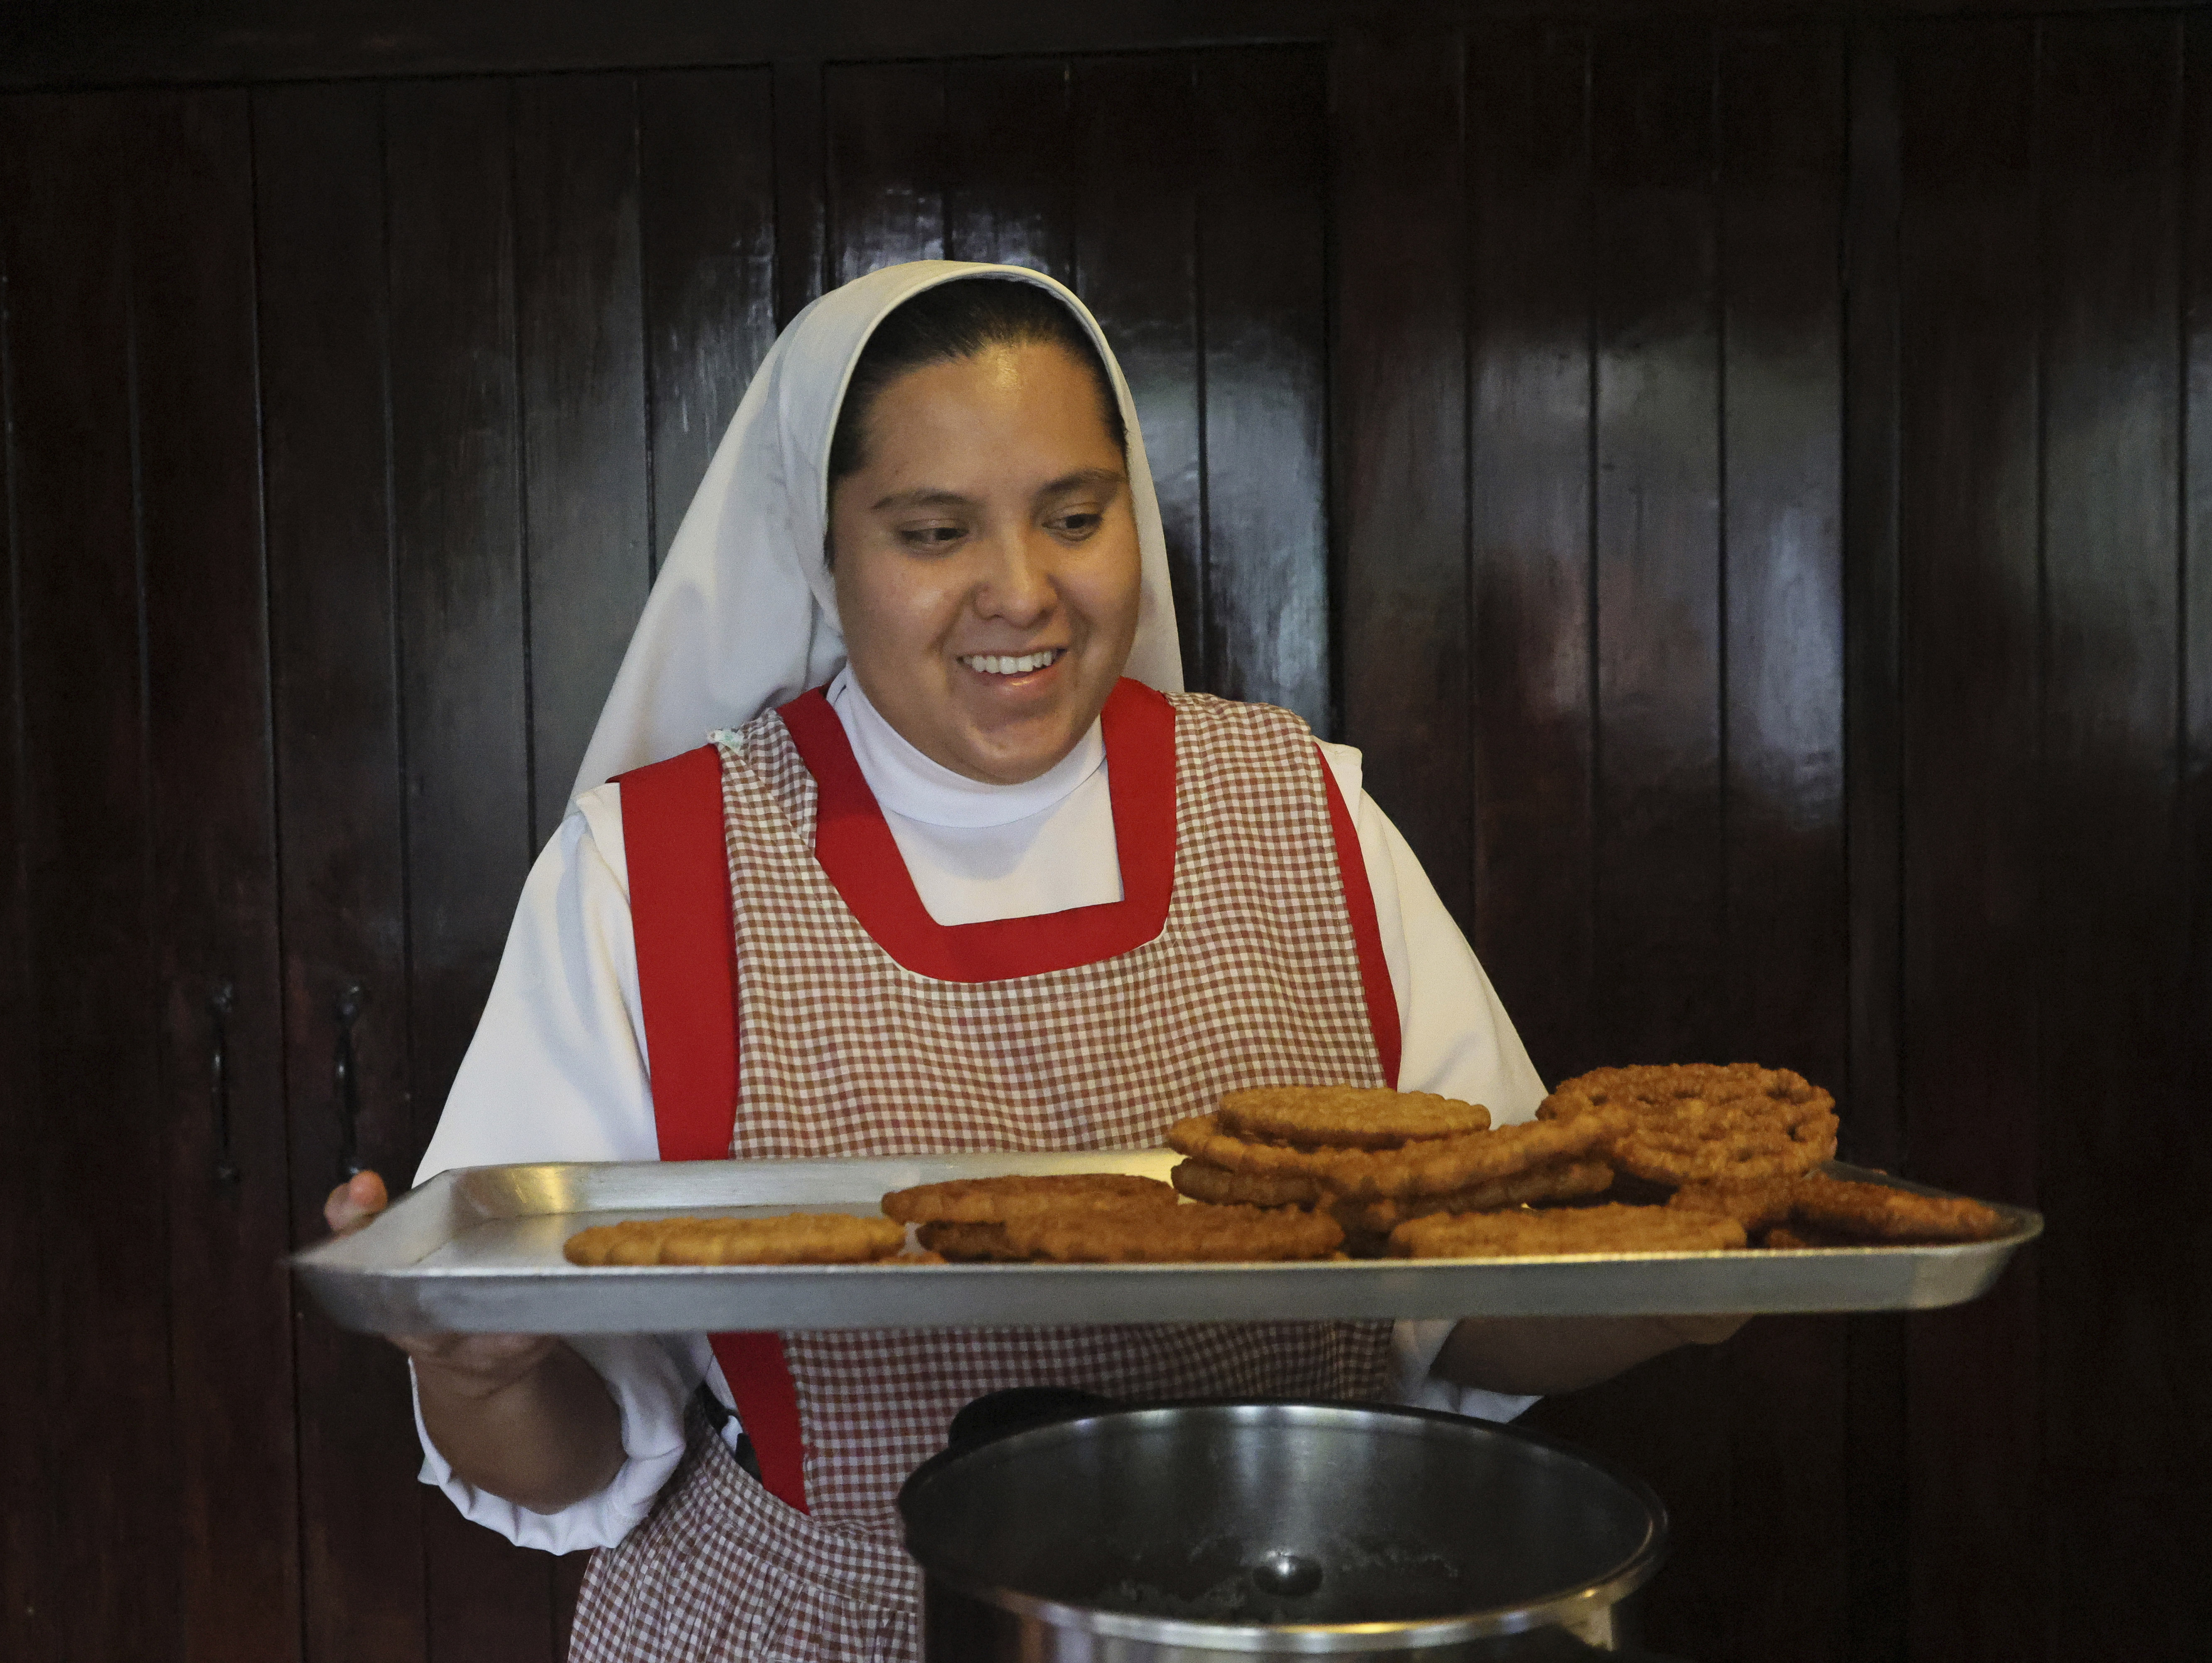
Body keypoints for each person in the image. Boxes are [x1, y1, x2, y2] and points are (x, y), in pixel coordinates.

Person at [324, 261, 1740, 1660]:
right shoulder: (654, 873)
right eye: (932, 533)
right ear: (818, 551)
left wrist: (1698, 1286)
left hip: (1285, 1610)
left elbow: (1470, 1303)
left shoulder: (1305, 813)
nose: (1022, 593)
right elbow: (560, 1466)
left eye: (1075, 515)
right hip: (829, 1624)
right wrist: (481, 1377)